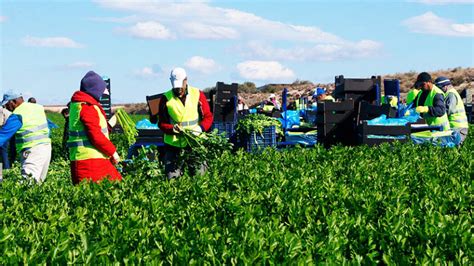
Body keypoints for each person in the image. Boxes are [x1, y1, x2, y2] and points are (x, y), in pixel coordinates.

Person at [157, 67, 213, 179]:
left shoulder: (197, 94)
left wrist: (200, 129)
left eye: (180, 86)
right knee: (172, 179)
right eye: (176, 87)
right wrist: (171, 129)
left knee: (199, 178)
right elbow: (161, 123)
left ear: (186, 80)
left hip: (194, 142)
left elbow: (208, 117)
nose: (179, 90)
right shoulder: (166, 98)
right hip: (173, 145)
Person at [68, 71, 121, 184]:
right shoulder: (87, 106)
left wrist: (110, 124)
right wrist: (113, 152)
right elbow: (95, 135)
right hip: (89, 163)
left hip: (95, 159)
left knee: (116, 186)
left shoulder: (84, 104)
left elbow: (95, 129)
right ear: (95, 90)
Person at [0, 91, 51, 182]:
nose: (6, 108)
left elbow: (2, 135)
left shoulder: (18, 114)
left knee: (27, 183)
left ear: (13, 102)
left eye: (6, 105)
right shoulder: (37, 108)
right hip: (46, 148)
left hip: (32, 151)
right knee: (38, 183)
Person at [435, 76, 469, 143]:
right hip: (457, 127)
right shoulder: (451, 93)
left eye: (439, 88)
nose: (439, 90)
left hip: (457, 127)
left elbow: (447, 110)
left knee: (452, 147)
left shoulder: (451, 94)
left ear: (445, 86)